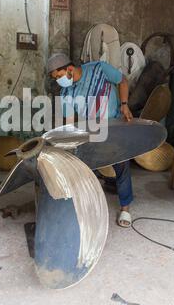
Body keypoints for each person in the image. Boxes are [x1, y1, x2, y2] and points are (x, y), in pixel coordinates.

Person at [48, 52, 134, 228]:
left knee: (122, 165)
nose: (58, 80)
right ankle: (86, 207)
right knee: (85, 166)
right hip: (94, 130)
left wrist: (124, 105)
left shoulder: (99, 68)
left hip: (115, 124)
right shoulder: (66, 92)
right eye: (55, 78)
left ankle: (125, 208)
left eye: (59, 76)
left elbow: (122, 80)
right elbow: (70, 122)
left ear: (69, 69)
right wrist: (69, 145)